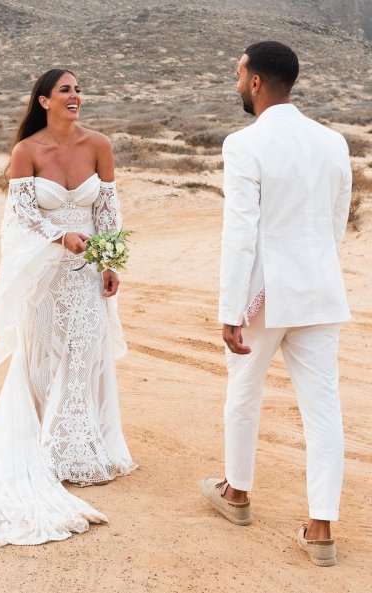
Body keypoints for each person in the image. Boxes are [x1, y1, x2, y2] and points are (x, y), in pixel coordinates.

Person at [0, 68, 137, 546]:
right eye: (65, 90)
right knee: (47, 353)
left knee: (85, 353)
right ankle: (47, 449)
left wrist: (111, 260)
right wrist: (59, 235)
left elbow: (107, 211)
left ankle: (79, 448)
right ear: (44, 101)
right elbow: (22, 214)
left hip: (87, 270)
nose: (75, 96)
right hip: (45, 272)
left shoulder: (100, 145)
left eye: (78, 89)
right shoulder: (25, 151)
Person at [200, 41, 352, 567]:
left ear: (257, 82)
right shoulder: (333, 141)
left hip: (264, 296)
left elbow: (239, 234)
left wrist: (230, 309)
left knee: (244, 393)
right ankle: (321, 528)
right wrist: (311, 269)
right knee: (324, 411)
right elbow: (337, 223)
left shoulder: (244, 144)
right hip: (319, 291)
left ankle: (237, 494)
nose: (237, 82)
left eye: (239, 73)